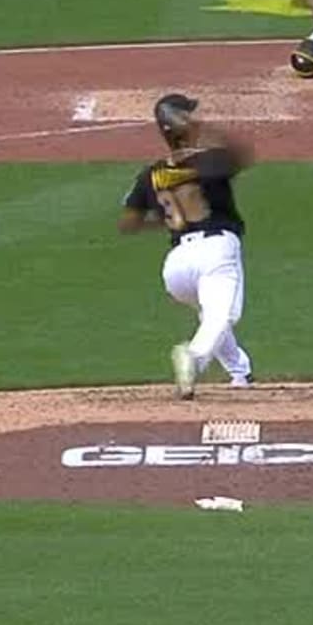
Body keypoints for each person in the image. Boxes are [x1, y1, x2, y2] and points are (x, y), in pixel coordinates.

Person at [119, 93, 257, 399]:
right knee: (223, 316)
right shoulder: (209, 160)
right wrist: (204, 130)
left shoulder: (150, 174)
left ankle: (239, 372)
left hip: (176, 265)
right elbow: (242, 155)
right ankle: (193, 358)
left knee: (210, 316)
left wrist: (168, 219)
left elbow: (128, 222)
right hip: (216, 250)